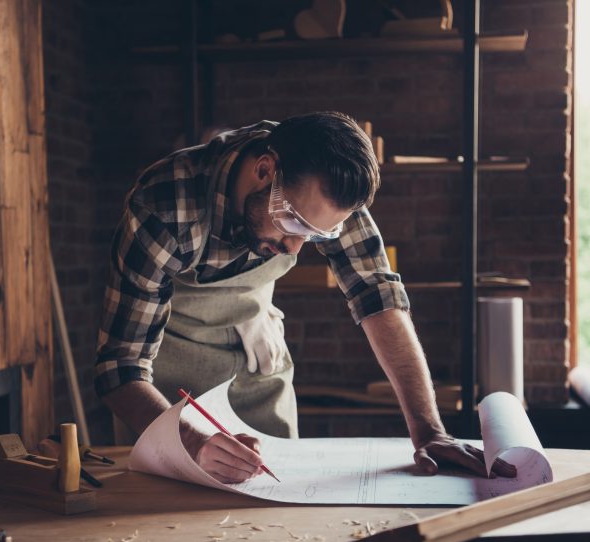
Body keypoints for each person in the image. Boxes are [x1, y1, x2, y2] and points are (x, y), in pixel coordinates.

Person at [95, 112, 516, 484]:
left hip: (255, 363)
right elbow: (121, 368)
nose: (296, 249)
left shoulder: (326, 192)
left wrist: (429, 430)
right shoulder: (166, 206)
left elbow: (377, 297)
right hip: (166, 386)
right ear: (265, 170)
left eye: (316, 236)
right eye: (292, 224)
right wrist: (189, 439)